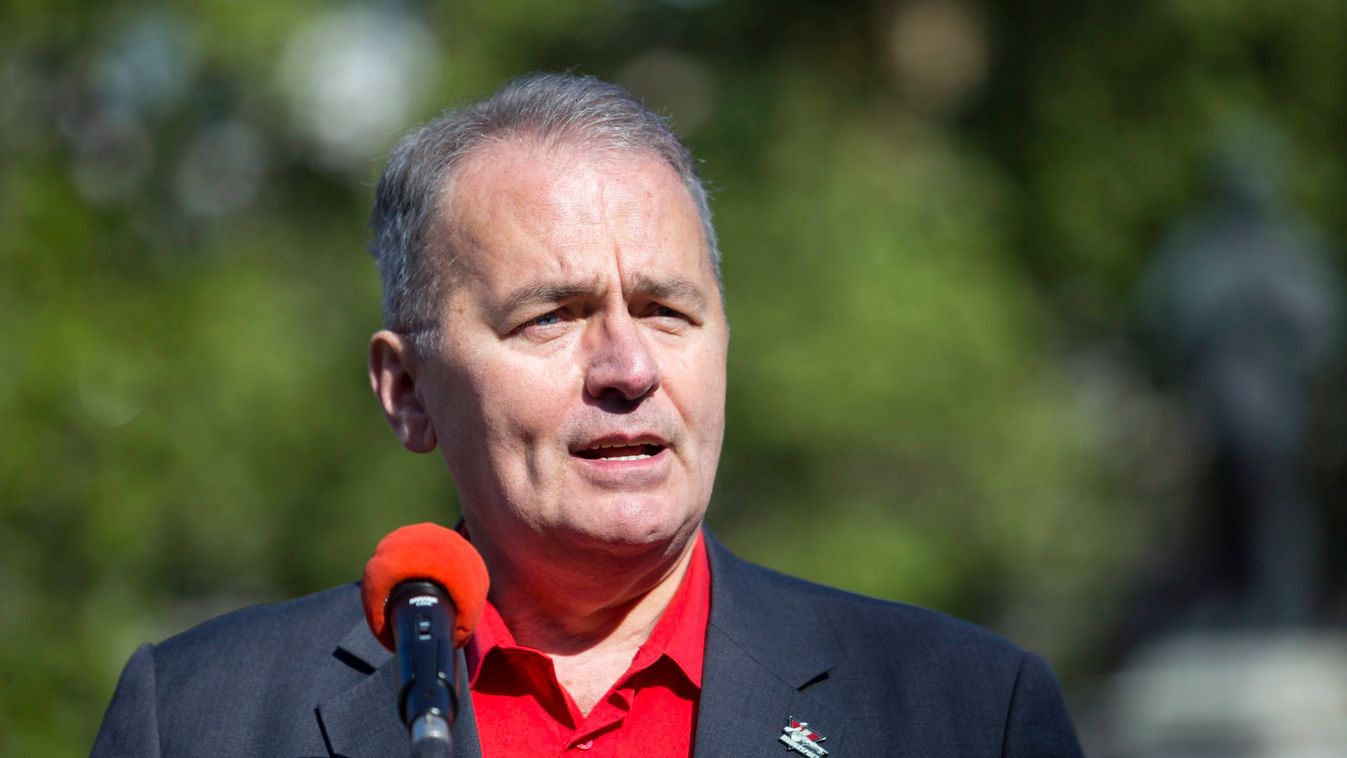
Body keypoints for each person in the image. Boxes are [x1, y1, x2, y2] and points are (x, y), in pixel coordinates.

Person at [92, 73, 1084, 757]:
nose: (628, 368)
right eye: (552, 317)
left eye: (665, 310)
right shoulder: (199, 720)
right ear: (408, 391)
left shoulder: (963, 713)